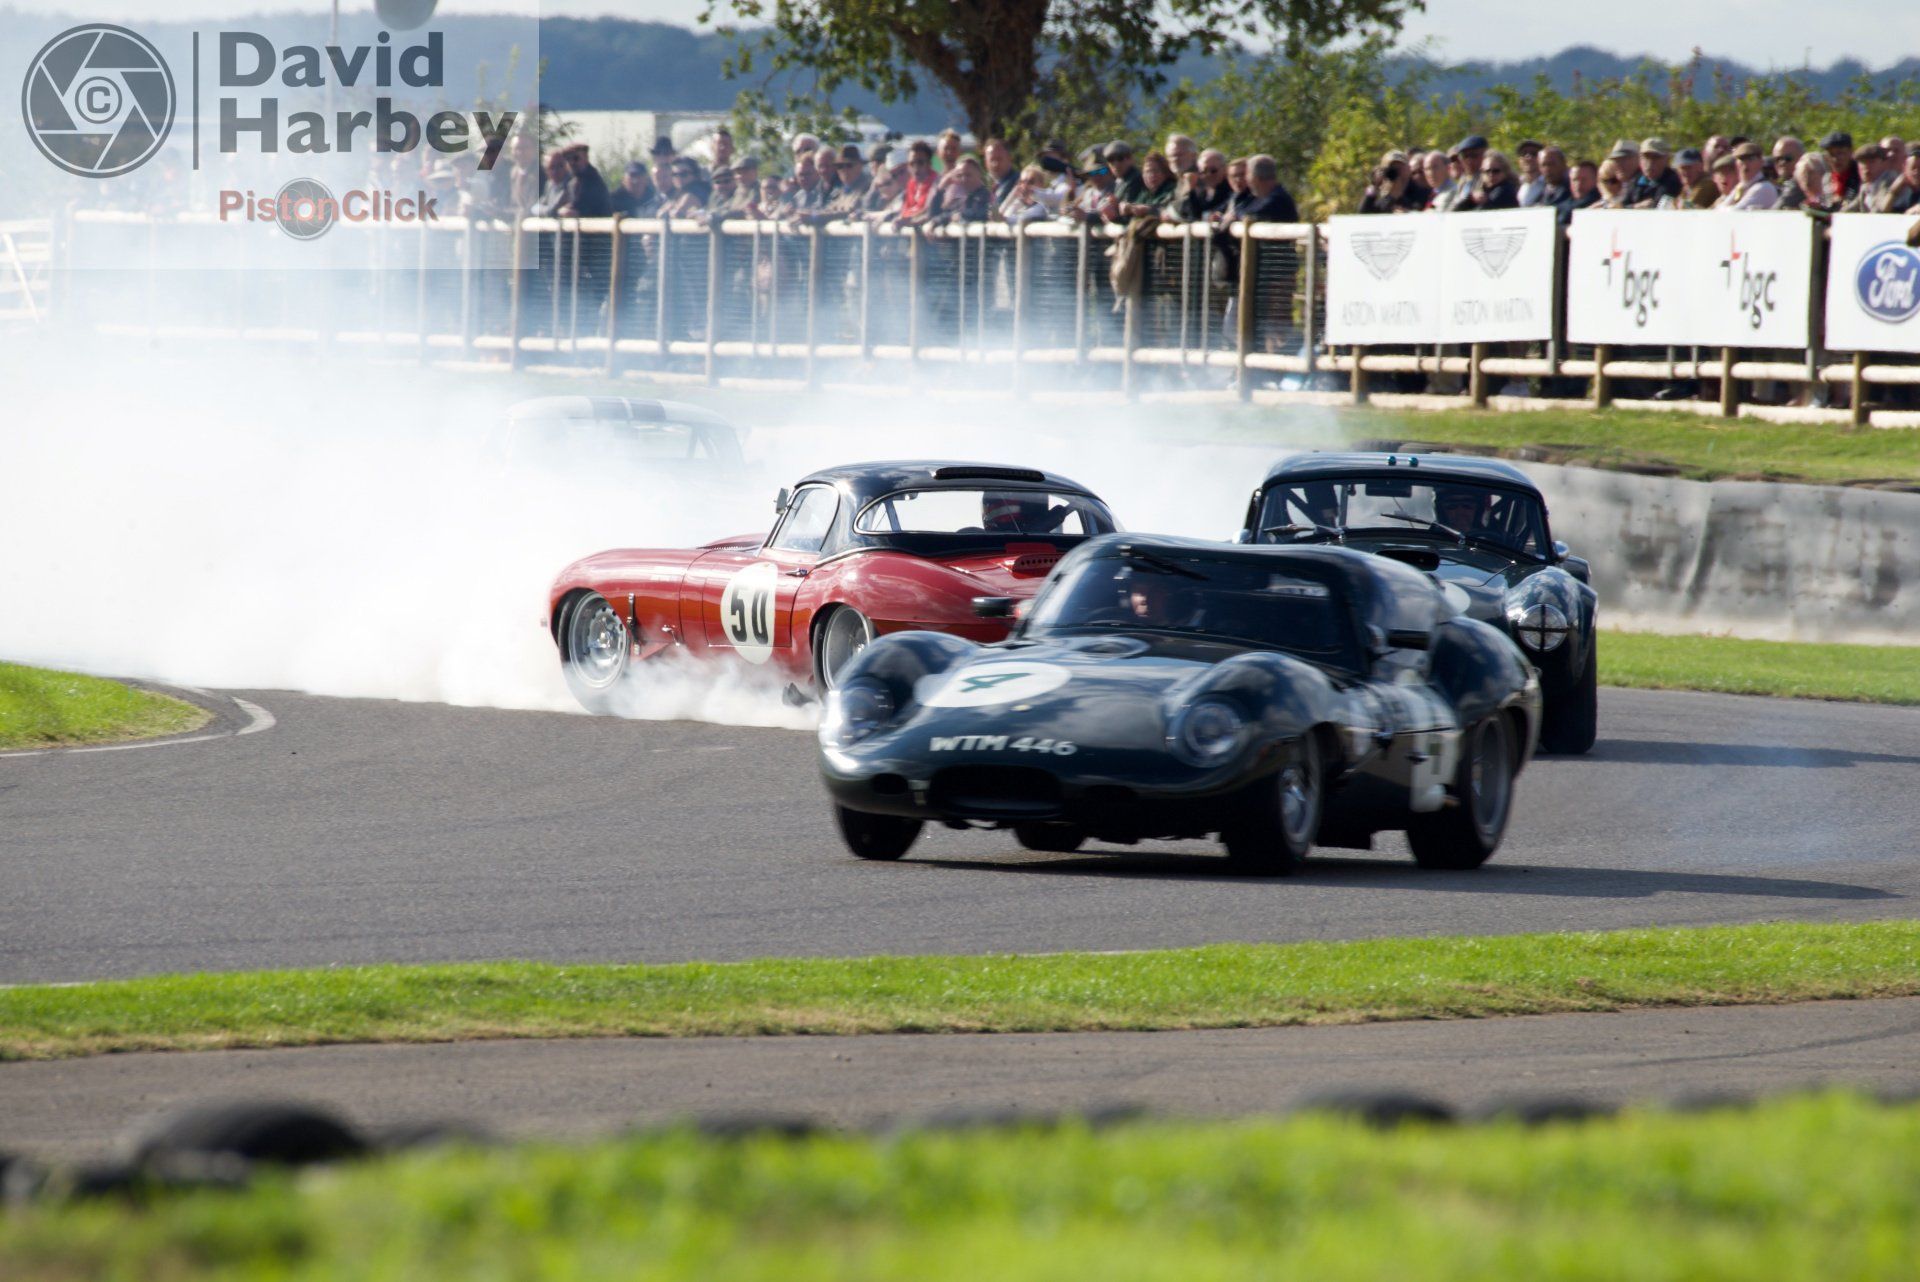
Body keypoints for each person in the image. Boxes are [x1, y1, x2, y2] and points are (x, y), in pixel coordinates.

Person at [1434, 134, 1487, 211]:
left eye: (1474, 155)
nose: (1469, 160)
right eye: (1465, 156)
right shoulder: (1464, 180)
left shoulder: (1489, 176)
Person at [1515, 140, 1547, 206]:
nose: (1528, 157)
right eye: (1524, 153)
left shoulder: (1549, 183)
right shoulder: (1516, 184)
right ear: (1519, 161)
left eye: (1534, 153)